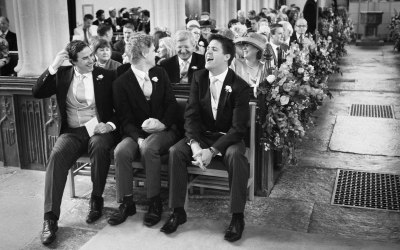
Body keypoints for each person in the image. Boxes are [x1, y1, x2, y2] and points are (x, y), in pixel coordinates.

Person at [161, 34, 250, 243]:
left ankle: (237, 217)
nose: (207, 52)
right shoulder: (199, 78)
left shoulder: (240, 86)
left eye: (214, 50)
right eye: (207, 48)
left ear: (227, 56)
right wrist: (194, 145)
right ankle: (177, 211)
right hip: (201, 137)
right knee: (175, 151)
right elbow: (190, 116)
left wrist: (212, 151)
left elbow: (238, 129)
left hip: (227, 139)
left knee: (237, 156)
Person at [32, 40, 118, 245]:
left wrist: (110, 126)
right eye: (85, 57)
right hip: (72, 132)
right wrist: (53, 66)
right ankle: (50, 219)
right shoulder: (62, 75)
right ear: (72, 62)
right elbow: (37, 92)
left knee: (99, 147)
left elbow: (120, 109)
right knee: (56, 156)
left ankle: (96, 199)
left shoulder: (107, 76)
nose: (92, 60)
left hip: (99, 130)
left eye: (91, 55)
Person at [109, 33, 179, 227]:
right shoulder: (121, 83)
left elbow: (172, 105)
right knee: (121, 151)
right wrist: (138, 138)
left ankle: (154, 201)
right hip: (136, 132)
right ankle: (126, 202)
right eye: (153, 50)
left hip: (164, 130)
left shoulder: (160, 73)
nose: (156, 52)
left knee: (149, 148)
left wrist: (163, 124)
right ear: (143, 52)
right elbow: (125, 119)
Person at [232, 32, 266, 97]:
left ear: (257, 48)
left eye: (247, 45)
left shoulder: (264, 67)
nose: (243, 48)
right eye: (243, 46)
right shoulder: (235, 63)